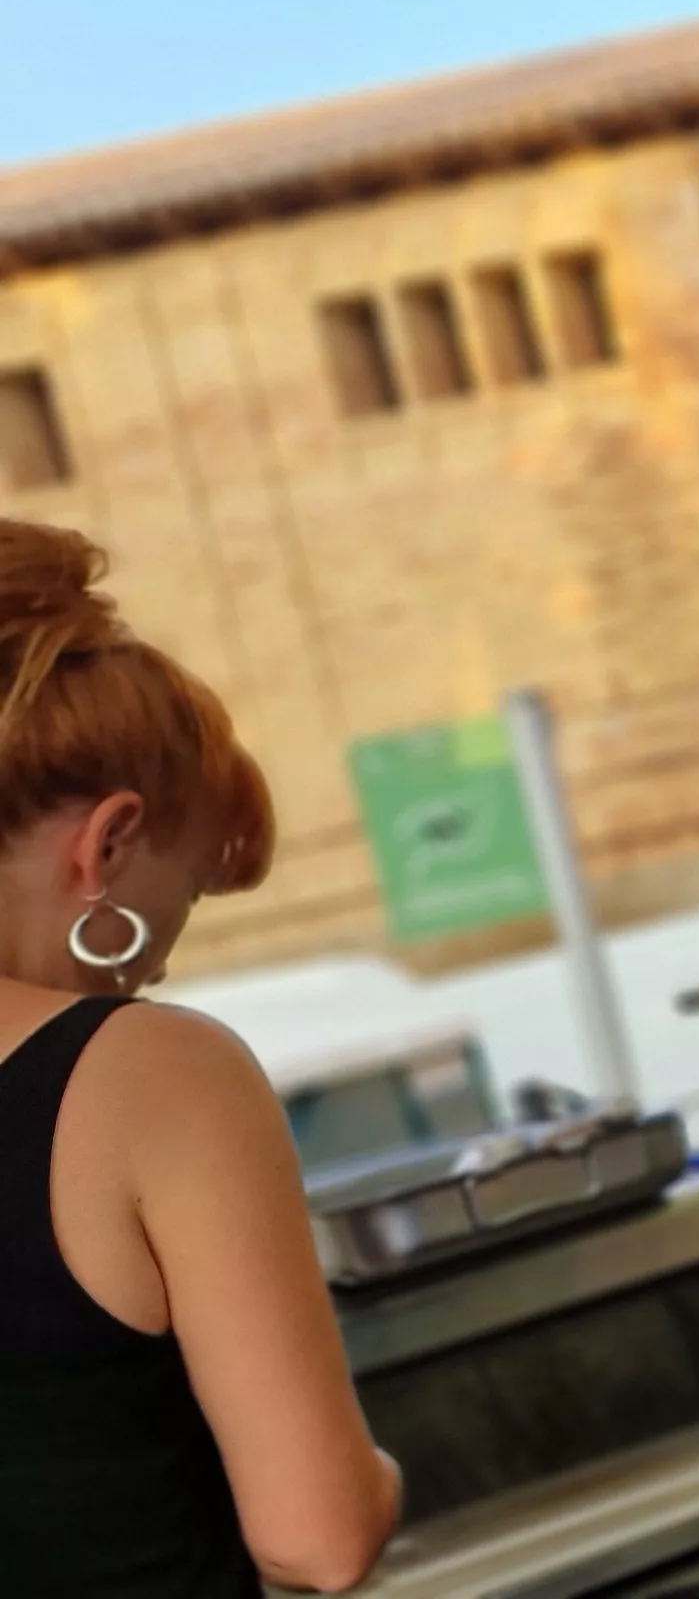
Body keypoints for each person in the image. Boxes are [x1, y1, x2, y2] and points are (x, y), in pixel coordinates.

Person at [0, 520, 402, 1594]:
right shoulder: (147, 1074)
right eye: (172, 904)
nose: (155, 972)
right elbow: (318, 1537)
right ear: (108, 846)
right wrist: (374, 1473)